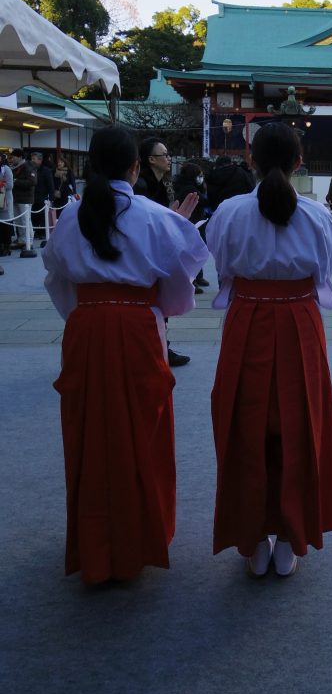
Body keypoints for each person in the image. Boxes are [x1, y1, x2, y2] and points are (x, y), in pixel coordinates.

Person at [42, 126, 208, 584]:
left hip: (87, 329)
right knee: (142, 430)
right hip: (136, 327)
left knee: (88, 431)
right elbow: (178, 285)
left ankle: (95, 544)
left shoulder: (71, 217)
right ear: (135, 167)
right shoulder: (154, 216)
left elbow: (57, 279)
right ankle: (138, 539)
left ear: (91, 164)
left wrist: (87, 314)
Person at [206, 122, 332, 579]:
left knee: (245, 429)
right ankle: (289, 536)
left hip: (247, 319)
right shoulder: (318, 216)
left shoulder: (228, 212)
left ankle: (253, 539)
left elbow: (222, 266)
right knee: (301, 426)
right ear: (299, 163)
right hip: (299, 320)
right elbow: (326, 270)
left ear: (252, 161)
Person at [134, 138, 192, 366]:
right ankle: (157, 348)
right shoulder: (142, 186)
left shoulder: (159, 184)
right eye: (164, 154)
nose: (168, 158)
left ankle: (161, 346)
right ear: (150, 160)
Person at [173, 161, 211, 293]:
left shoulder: (185, 186)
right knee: (193, 252)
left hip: (195, 221)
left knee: (195, 250)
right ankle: (192, 280)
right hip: (193, 222)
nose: (201, 178)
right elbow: (204, 201)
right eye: (199, 175)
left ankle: (198, 277)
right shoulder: (190, 189)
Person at [9, 149, 37, 249]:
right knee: (18, 221)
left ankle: (29, 241)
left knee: (26, 220)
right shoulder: (14, 167)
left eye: (13, 157)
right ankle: (22, 240)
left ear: (20, 157)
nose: (11, 159)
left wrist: (16, 181)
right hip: (16, 198)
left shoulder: (28, 166)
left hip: (25, 199)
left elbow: (32, 182)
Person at [31, 151, 55, 243]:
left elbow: (50, 185)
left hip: (42, 197)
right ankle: (36, 231)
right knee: (33, 216)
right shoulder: (30, 169)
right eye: (31, 159)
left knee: (42, 216)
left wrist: (51, 198)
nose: (32, 161)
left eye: (34, 159)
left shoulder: (46, 170)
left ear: (40, 160)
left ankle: (43, 232)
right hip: (32, 197)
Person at [0, 152, 14, 266]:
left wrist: (1, 184)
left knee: (6, 224)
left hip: (5, 200)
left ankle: (7, 246)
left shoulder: (6, 169)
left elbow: (10, 185)